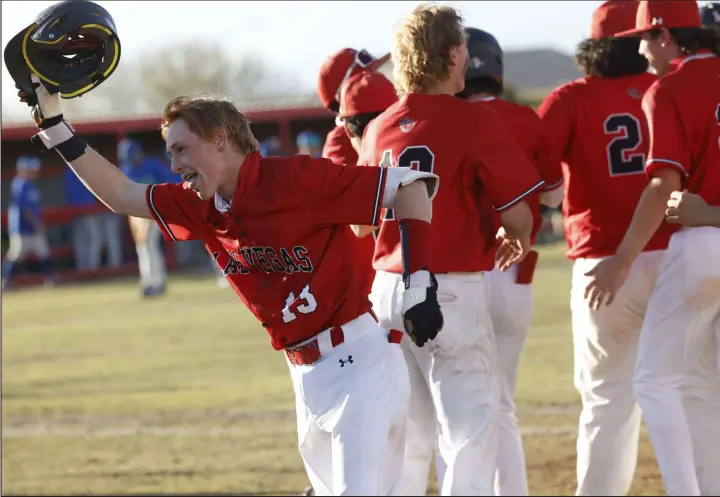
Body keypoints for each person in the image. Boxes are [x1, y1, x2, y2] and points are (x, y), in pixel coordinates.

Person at [19, 78, 444, 496]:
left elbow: (410, 187)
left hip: (361, 365)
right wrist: (56, 126)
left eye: (182, 149)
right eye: (170, 153)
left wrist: (419, 283)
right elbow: (121, 194)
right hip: (306, 374)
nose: (174, 165)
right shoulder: (200, 205)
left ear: (220, 138)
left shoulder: (295, 178)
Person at [351, 5, 544, 495]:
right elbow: (519, 214)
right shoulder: (473, 120)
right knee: (472, 430)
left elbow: (358, 224)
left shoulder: (377, 128)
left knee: (412, 434)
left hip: (387, 290)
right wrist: (514, 237)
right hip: (446, 287)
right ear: (456, 53)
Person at [536, 2, 673, 494]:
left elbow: (538, 180)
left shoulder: (570, 98)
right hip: (674, 252)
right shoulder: (668, 88)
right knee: (691, 391)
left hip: (602, 261)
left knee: (606, 400)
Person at [585, 1, 720, 494]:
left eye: (645, 37)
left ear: (667, 35)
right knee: (706, 386)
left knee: (654, 382)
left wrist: (620, 262)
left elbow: (663, 186)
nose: (640, 48)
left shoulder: (669, 88)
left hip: (701, 247)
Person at [453, 27, 562, 497]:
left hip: (462, 274)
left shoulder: (446, 120)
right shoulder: (524, 118)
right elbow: (555, 196)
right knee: (502, 406)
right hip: (516, 274)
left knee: (462, 410)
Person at [316, 48, 387, 302]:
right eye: (366, 75)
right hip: (368, 277)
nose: (378, 79)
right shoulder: (341, 141)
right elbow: (359, 220)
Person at [117, 138, 171, 297]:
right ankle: (148, 281)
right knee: (142, 247)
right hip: (136, 213)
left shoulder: (152, 165)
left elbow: (169, 182)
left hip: (154, 210)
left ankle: (157, 282)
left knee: (150, 245)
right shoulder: (126, 169)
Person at [2, 155, 54, 289]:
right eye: (31, 169)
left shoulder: (30, 184)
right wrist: (36, 223)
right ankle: (5, 281)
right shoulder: (20, 184)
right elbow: (25, 209)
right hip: (22, 228)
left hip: (32, 228)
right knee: (16, 255)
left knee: (44, 252)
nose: (34, 172)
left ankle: (49, 280)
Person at [63, 167, 103, 271]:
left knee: (80, 240)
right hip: (88, 207)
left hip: (74, 209)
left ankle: (82, 267)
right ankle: (92, 267)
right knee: (93, 238)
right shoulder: (84, 168)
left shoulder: (67, 172)